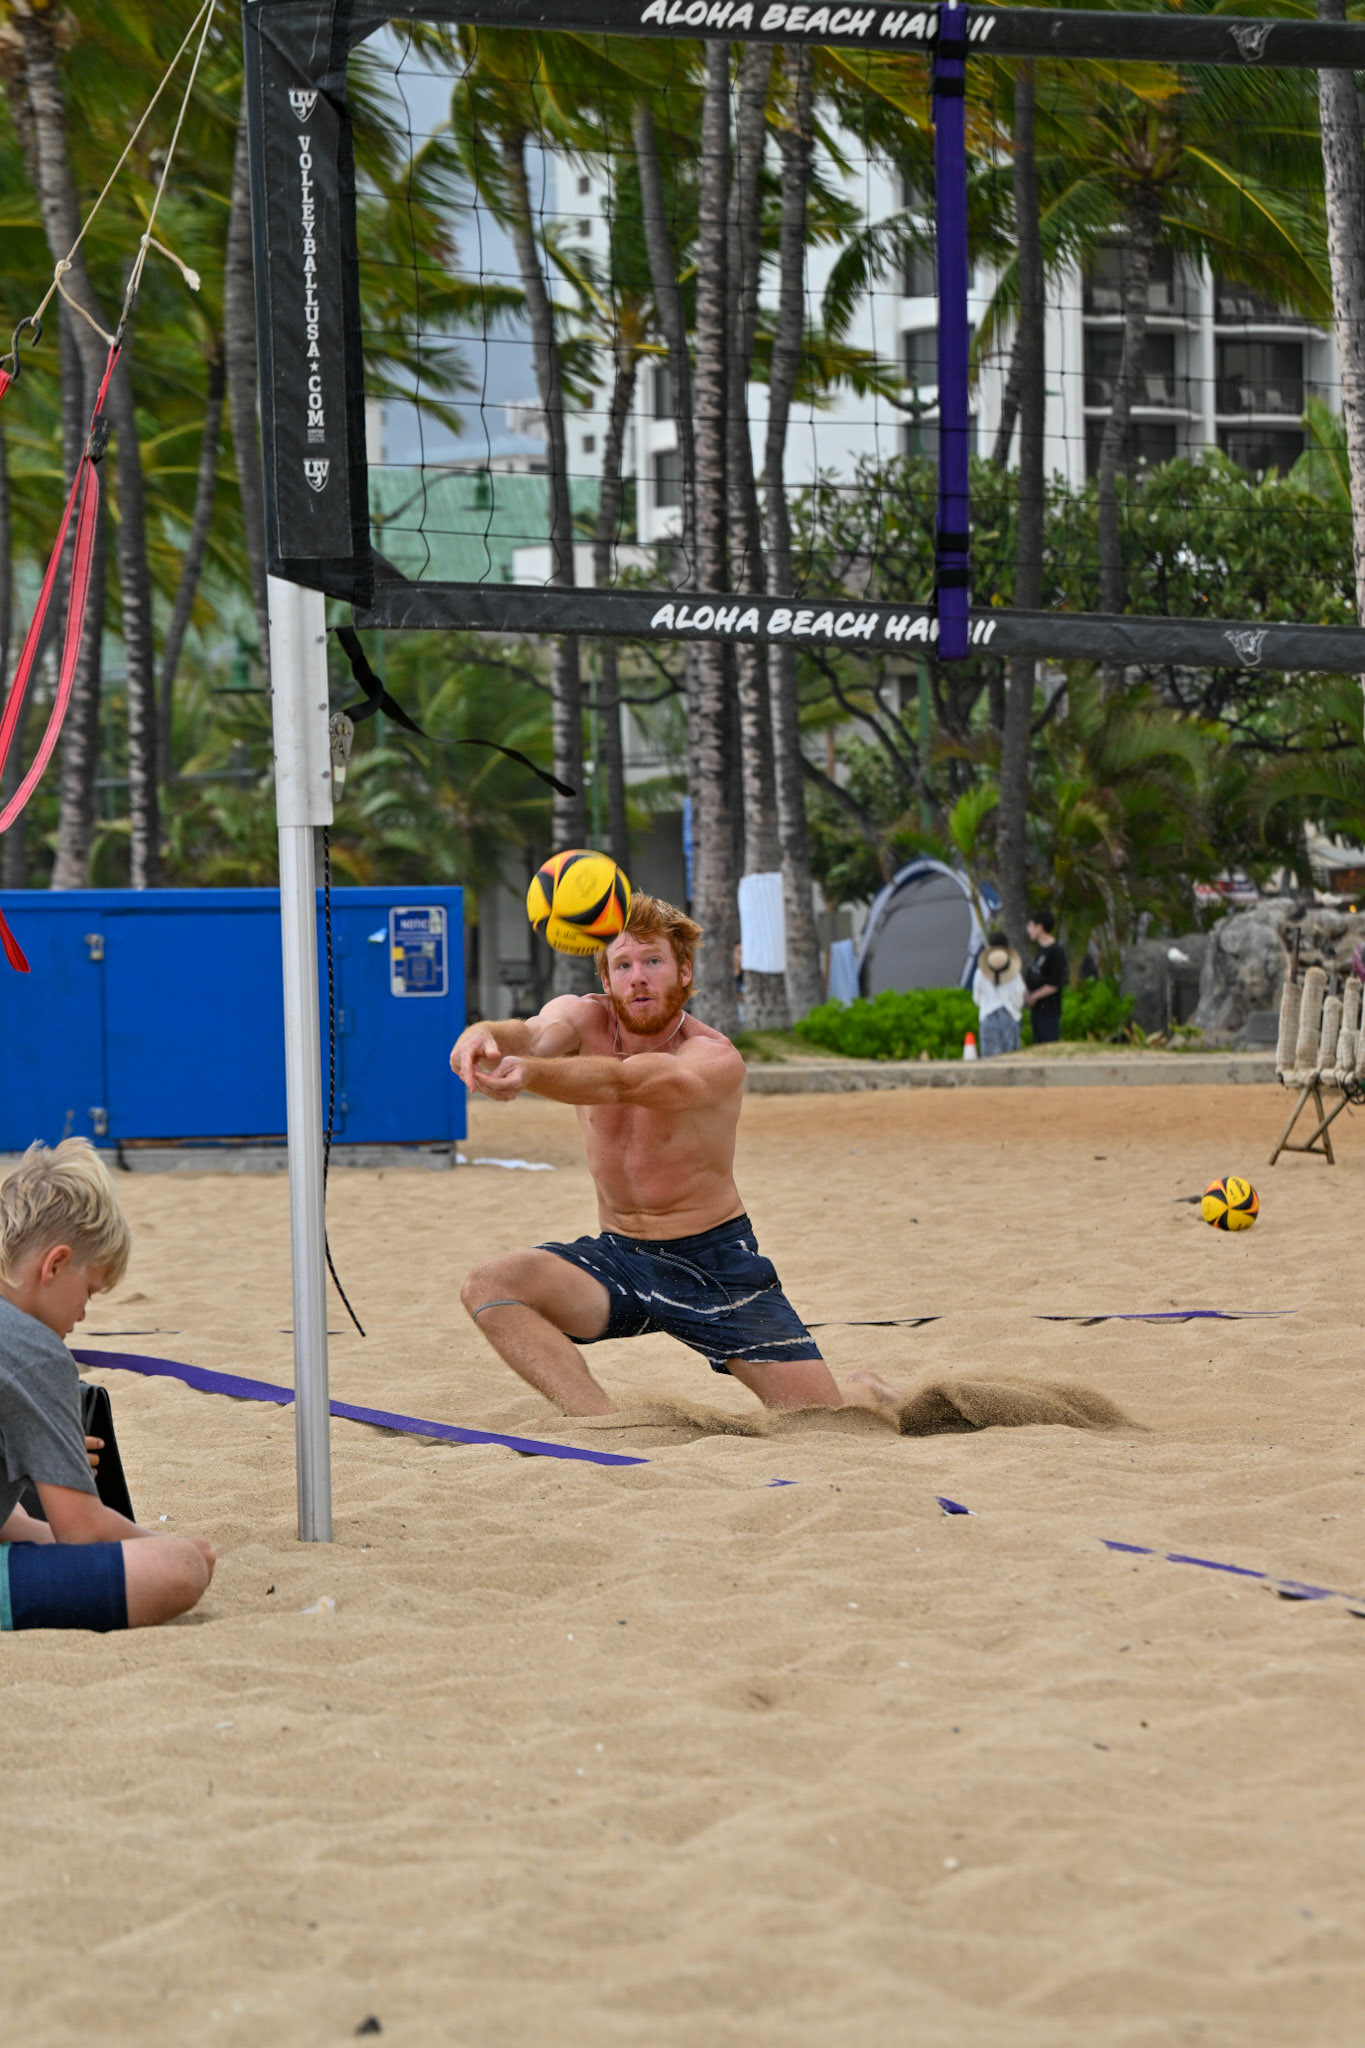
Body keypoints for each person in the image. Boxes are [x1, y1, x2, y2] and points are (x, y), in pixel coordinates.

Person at [449, 893, 896, 1419]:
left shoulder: (711, 1056)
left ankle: (867, 1389)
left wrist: (530, 1073)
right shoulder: (583, 1020)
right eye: (623, 964)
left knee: (827, 1422)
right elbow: (527, 1034)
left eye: (653, 961)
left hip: (713, 1263)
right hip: (619, 1258)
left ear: (683, 973)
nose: (638, 977)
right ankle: (602, 1425)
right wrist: (482, 1035)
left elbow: (624, 1081)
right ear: (607, 979)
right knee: (490, 1284)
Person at [0, 1140, 215, 1632]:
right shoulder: (35, 1350)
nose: (82, 1313)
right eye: (90, 1292)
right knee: (179, 1570)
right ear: (54, 1265)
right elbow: (81, 1529)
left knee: (39, 1536)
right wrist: (164, 1547)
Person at [972, 930, 1026, 1057]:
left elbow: (976, 998)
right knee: (1011, 1058)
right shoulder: (1015, 975)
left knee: (990, 1060)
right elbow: (1019, 996)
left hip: (987, 1017)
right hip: (1010, 1016)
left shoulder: (980, 973)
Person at [1024, 907, 1069, 1046]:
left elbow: (1054, 984)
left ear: (1040, 927)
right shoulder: (1040, 950)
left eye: (1030, 925)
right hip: (1037, 1010)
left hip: (1049, 1010)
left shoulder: (1055, 951)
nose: (1028, 929)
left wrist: (1034, 996)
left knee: (1048, 1045)